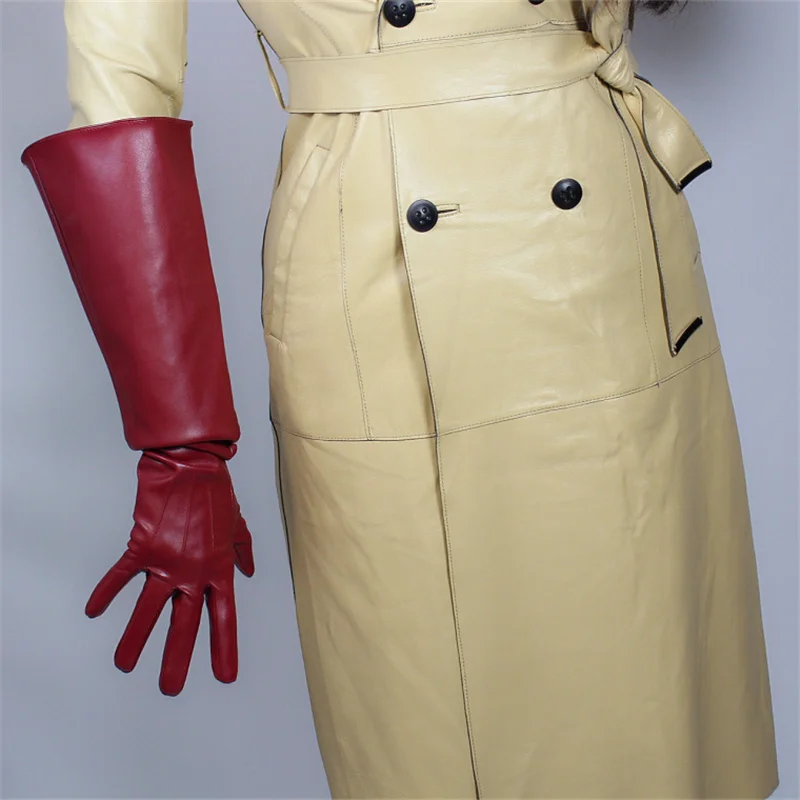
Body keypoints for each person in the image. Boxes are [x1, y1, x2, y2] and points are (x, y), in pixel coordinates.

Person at [19, 0, 780, 796]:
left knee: (651, 703)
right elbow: (122, 90)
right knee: (431, 737)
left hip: (613, 252)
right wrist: (181, 439)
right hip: (383, 259)